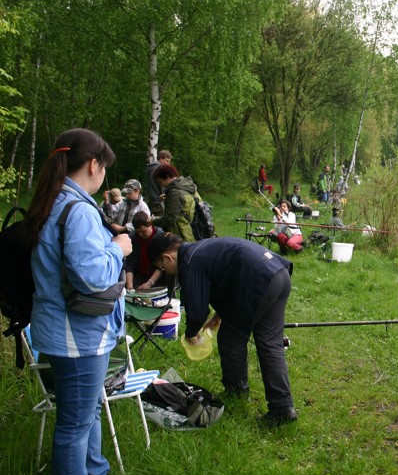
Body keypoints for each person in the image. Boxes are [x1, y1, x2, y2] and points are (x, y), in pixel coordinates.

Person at [23, 128, 137, 475]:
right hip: (76, 336)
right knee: (74, 424)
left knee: (87, 414)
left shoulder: (54, 200)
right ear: (93, 165)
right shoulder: (78, 210)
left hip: (66, 330)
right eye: (104, 167)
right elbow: (91, 277)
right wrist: (118, 248)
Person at [147, 232, 297, 425]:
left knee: (230, 340)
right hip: (278, 273)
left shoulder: (189, 262)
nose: (166, 272)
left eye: (162, 267)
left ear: (167, 257)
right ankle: (282, 408)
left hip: (260, 279)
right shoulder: (200, 250)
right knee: (270, 344)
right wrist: (218, 316)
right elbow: (229, 279)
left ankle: (236, 392)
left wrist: (191, 333)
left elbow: (197, 310)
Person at [151, 164, 198, 241]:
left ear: (167, 177)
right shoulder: (185, 187)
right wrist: (168, 198)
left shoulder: (175, 193)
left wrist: (152, 221)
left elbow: (169, 219)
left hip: (180, 235)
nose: (161, 185)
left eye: (160, 181)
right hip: (188, 231)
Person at [125, 211, 166, 291]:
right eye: (138, 232)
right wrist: (130, 288)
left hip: (158, 277)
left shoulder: (161, 237)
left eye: (143, 231)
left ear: (150, 225)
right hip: (139, 275)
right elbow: (129, 264)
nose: (141, 235)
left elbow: (163, 264)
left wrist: (150, 283)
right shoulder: (133, 238)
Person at [145, 149, 172, 214]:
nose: (168, 164)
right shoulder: (160, 170)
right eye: (167, 161)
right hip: (158, 202)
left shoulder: (151, 168)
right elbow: (163, 186)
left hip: (150, 200)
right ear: (161, 159)